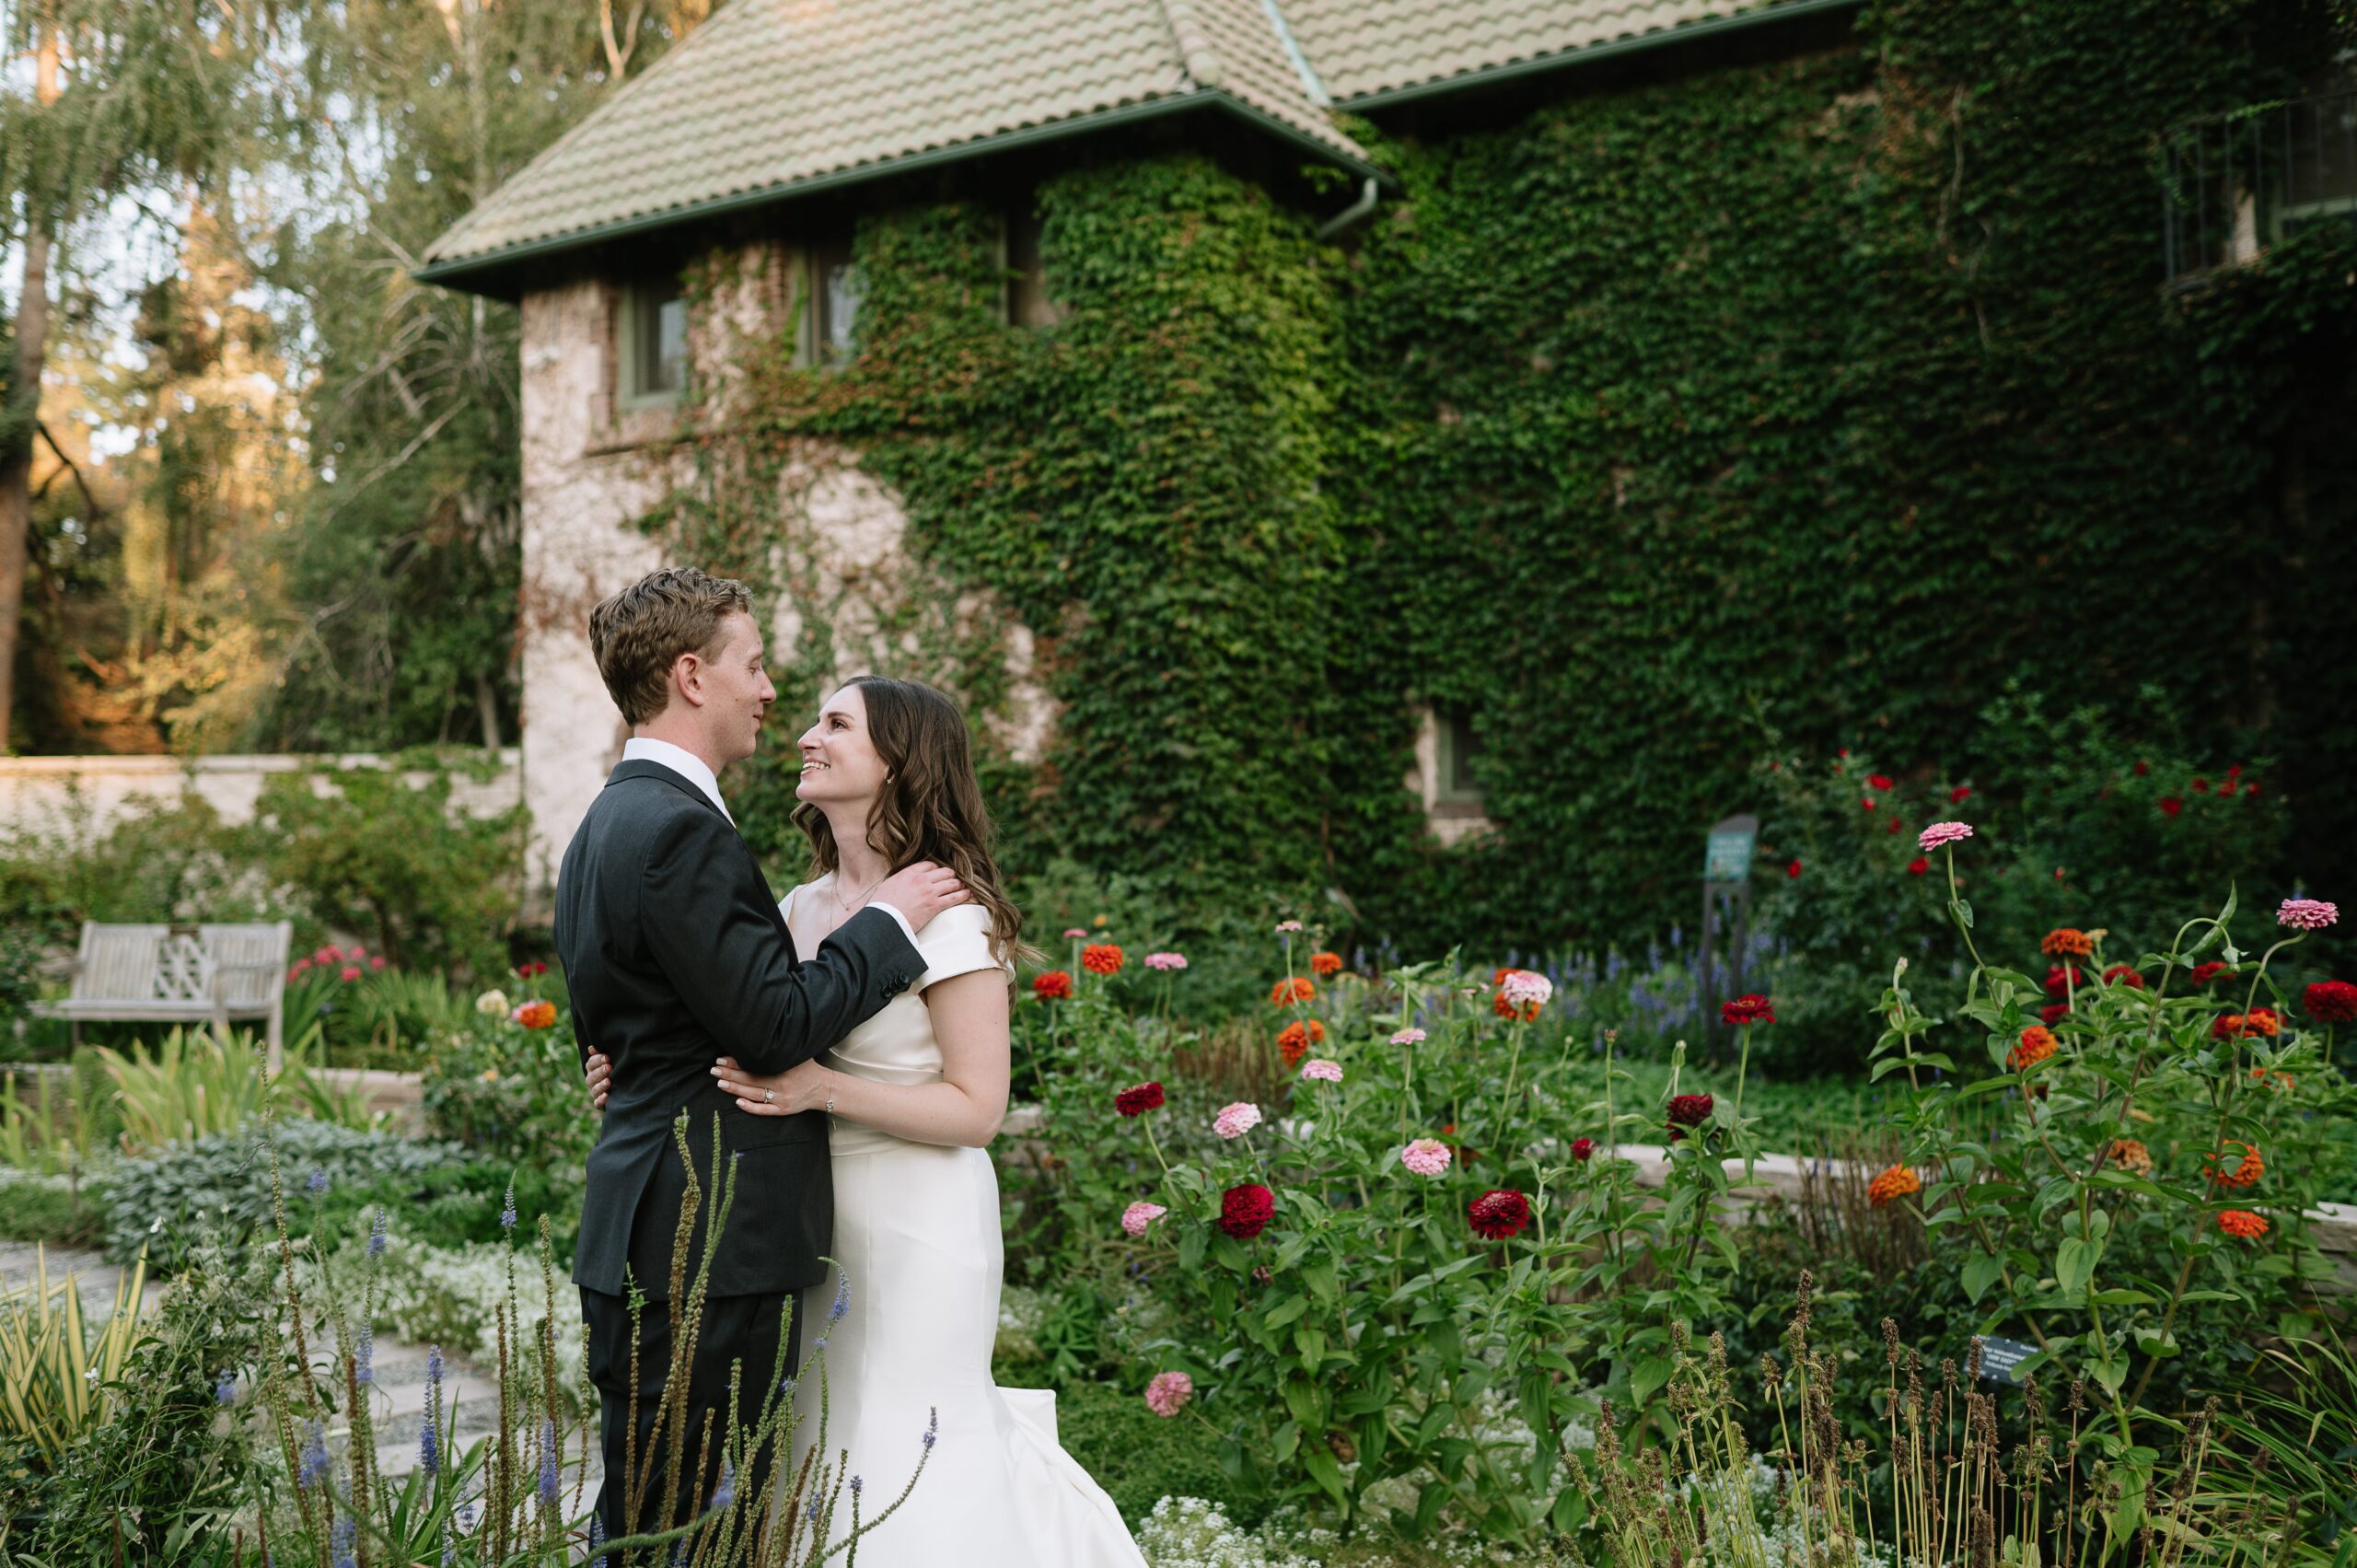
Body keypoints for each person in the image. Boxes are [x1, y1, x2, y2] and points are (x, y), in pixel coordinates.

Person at [586, 674, 1146, 1565]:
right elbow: (756, 1025)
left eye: (837, 723)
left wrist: (824, 1091)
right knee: (816, 1430)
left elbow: (978, 1107)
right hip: (805, 1217)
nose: (807, 734)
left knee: (901, 1434)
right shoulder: (796, 907)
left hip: (919, 1222)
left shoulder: (952, 915)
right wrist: (641, 1066)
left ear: (898, 764)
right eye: (813, 718)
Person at [553, 568, 969, 1552]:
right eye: (755, 663)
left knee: (654, 1522)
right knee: (695, 1530)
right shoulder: (679, 831)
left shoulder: (605, 823)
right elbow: (775, 1026)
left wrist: (628, 1064)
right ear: (691, 675)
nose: (770, 689)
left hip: (648, 1220)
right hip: (705, 1237)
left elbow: (625, 1012)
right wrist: (885, 924)